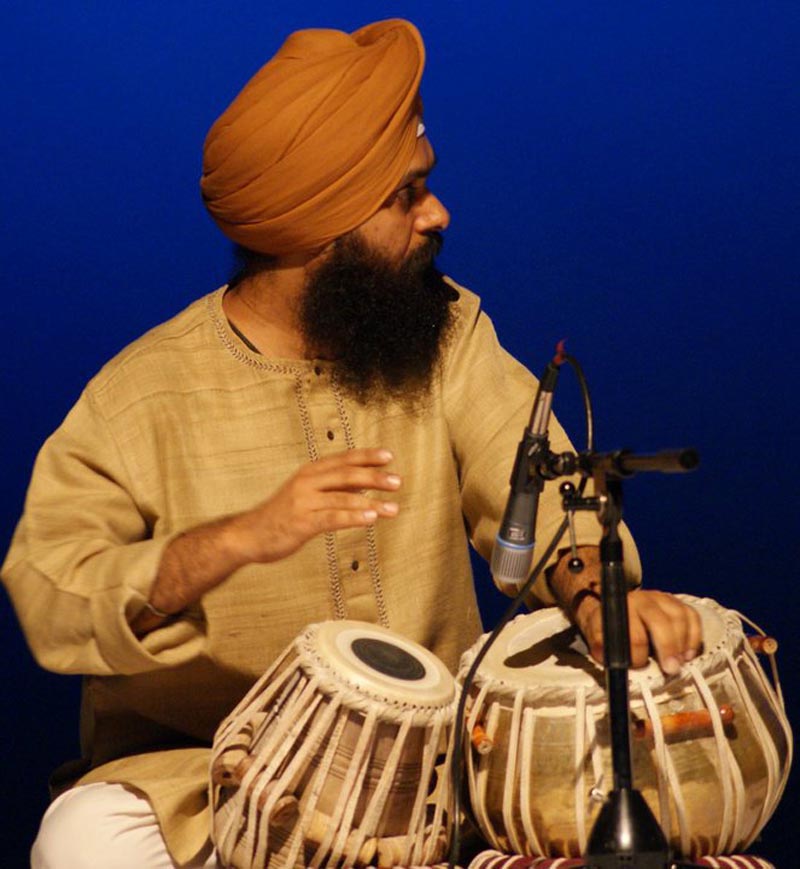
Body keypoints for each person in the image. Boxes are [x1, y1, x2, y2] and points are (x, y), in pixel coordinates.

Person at [2, 18, 702, 869]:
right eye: (407, 194)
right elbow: (52, 593)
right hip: (215, 779)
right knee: (80, 838)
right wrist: (235, 540)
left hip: (440, 769)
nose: (437, 213)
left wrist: (596, 596)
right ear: (315, 227)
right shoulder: (139, 397)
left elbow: (538, 480)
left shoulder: (447, 338)